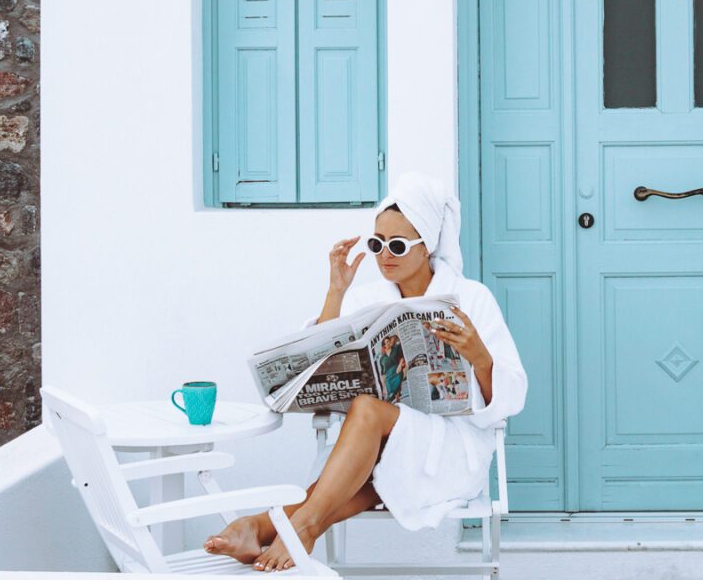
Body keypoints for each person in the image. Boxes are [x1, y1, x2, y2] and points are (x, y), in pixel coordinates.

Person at [203, 173, 528, 571]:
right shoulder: (366, 299)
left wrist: (480, 357)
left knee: (368, 411)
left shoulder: (471, 298)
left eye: (397, 245)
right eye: (377, 244)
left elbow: (512, 397)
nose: (384, 255)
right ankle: (270, 527)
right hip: (381, 452)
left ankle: (294, 526)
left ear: (426, 246)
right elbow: (314, 365)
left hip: (447, 447)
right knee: (370, 451)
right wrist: (335, 292)